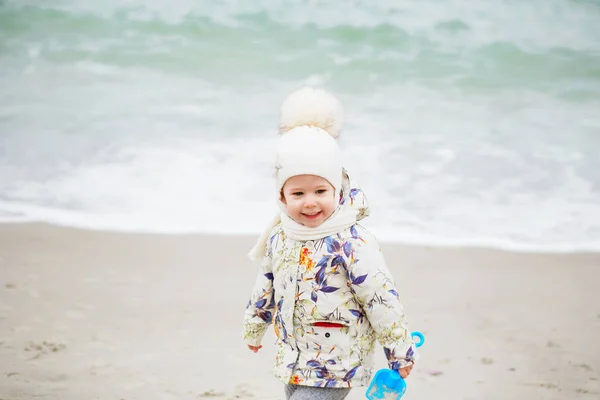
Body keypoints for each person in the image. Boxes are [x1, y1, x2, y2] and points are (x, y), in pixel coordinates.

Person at [242, 87, 418, 400]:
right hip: (294, 358)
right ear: (282, 196)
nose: (310, 202)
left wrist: (399, 350)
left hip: (339, 363)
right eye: (298, 193)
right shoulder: (282, 235)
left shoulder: (351, 240)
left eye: (320, 191)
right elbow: (265, 284)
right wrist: (256, 325)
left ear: (337, 190)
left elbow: (379, 296)